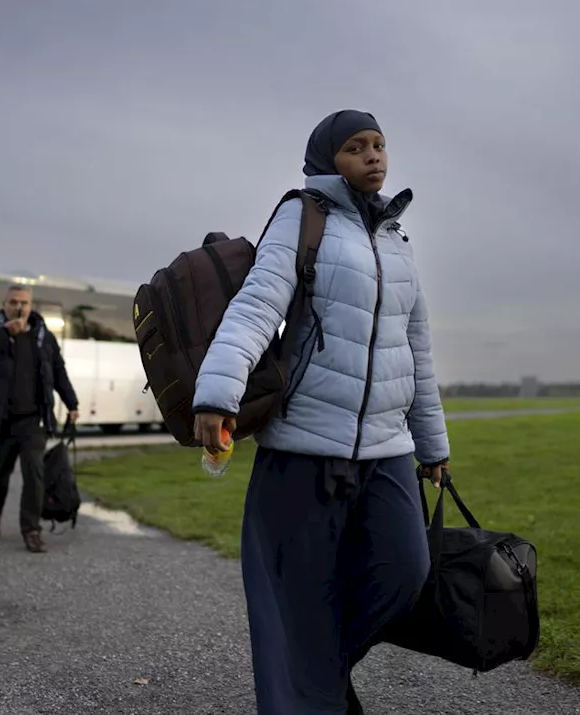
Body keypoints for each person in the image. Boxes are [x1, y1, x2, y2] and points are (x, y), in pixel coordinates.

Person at [192, 109, 452, 713]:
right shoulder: (303, 216)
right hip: (304, 448)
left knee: (404, 574)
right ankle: (309, 693)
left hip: (387, 451)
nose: (373, 156)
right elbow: (259, 304)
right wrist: (218, 392)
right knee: (294, 599)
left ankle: (316, 678)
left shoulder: (398, 240)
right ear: (326, 158)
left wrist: (433, 446)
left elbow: (415, 349)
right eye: (356, 147)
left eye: (380, 145)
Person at [0, 283, 79, 554]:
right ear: (4, 304)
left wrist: (71, 403)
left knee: (35, 474)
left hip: (32, 420)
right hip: (0, 420)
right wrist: (3, 335)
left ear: (31, 305)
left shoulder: (44, 336)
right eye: (14, 302)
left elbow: (58, 371)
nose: (20, 307)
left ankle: (31, 530)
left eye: (25, 303)